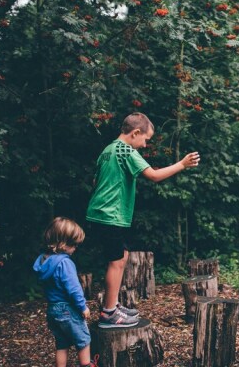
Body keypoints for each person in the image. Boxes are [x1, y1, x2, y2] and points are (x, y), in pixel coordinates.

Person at [86, 112, 200, 328]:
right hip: (109, 214)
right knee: (116, 260)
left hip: (103, 213)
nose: (145, 145)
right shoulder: (125, 150)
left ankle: (113, 305)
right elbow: (154, 176)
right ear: (135, 132)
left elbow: (95, 179)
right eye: (145, 140)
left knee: (122, 255)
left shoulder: (108, 150)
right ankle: (109, 314)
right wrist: (182, 164)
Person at [33, 217, 98, 367]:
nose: (75, 248)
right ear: (62, 243)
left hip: (52, 309)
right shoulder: (64, 263)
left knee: (62, 343)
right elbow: (74, 289)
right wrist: (83, 306)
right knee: (83, 340)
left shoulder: (44, 261)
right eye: (73, 244)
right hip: (68, 309)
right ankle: (86, 364)